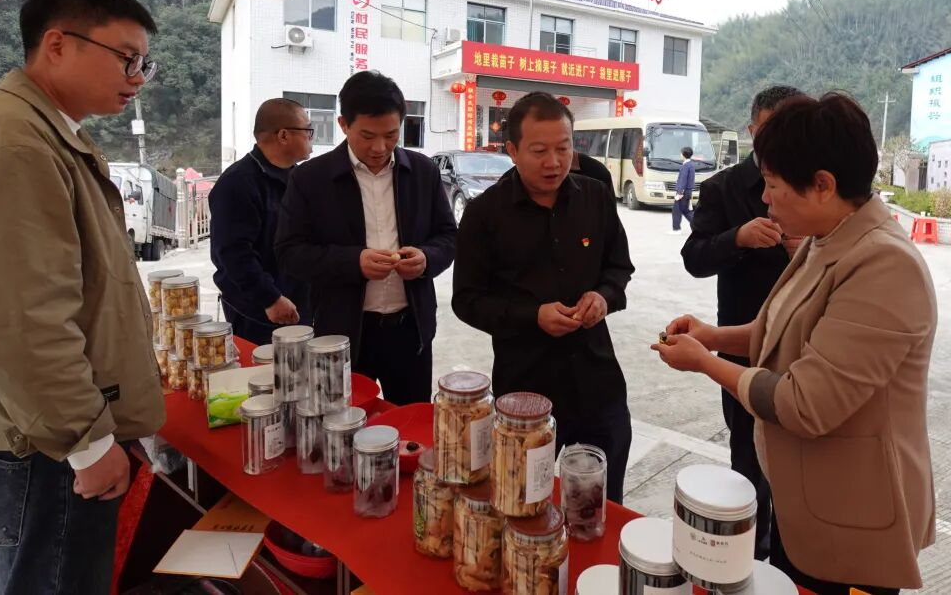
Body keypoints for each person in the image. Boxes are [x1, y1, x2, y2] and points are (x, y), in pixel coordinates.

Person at [655, 93, 937, 595]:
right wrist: (712, 336)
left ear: (823, 185)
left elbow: (803, 404)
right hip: (806, 500)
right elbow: (782, 331)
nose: (765, 199)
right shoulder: (825, 238)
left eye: (773, 185)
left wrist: (705, 363)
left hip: (853, 522)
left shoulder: (884, 265)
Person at [0, 0, 166, 594]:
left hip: (50, 437)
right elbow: (24, 320)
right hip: (47, 448)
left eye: (144, 64)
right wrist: (87, 445)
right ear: (58, 44)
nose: (137, 77)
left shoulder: (49, 131)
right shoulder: (19, 142)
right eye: (126, 58)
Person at [453, 92, 635, 503]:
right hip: (524, 387)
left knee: (601, 504)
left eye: (563, 148)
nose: (554, 162)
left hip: (597, 381)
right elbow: (466, 299)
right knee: (521, 500)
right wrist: (531, 316)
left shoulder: (595, 197)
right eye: (539, 151)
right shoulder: (484, 214)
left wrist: (603, 297)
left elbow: (618, 268)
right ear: (513, 150)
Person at [275, 71, 457, 404]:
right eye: (367, 135)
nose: (380, 147)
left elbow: (448, 236)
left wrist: (427, 258)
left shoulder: (423, 172)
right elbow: (290, 252)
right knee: (343, 421)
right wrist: (353, 262)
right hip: (342, 333)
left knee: (410, 420)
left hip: (410, 330)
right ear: (344, 124)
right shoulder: (311, 179)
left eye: (391, 135)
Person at [679, 84, 804, 559]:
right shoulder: (724, 189)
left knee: (800, 471)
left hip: (806, 351)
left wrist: (806, 249)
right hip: (741, 347)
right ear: (752, 130)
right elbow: (694, 257)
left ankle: (790, 564)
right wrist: (738, 239)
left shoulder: (816, 190)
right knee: (749, 469)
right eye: (771, 131)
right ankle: (749, 561)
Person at [209, 98, 314, 345]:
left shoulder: (298, 177)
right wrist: (270, 298)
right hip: (260, 312)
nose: (311, 138)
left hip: (298, 305)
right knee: (263, 369)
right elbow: (234, 253)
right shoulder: (238, 183)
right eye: (308, 130)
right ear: (284, 135)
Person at [671, 146, 696, 232]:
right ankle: (698, 227)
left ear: (683, 154)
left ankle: (676, 229)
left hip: (683, 192)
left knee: (676, 210)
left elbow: (683, 180)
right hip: (688, 191)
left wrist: (679, 192)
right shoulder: (691, 165)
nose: (680, 154)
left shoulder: (686, 166)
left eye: (681, 153)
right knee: (686, 211)